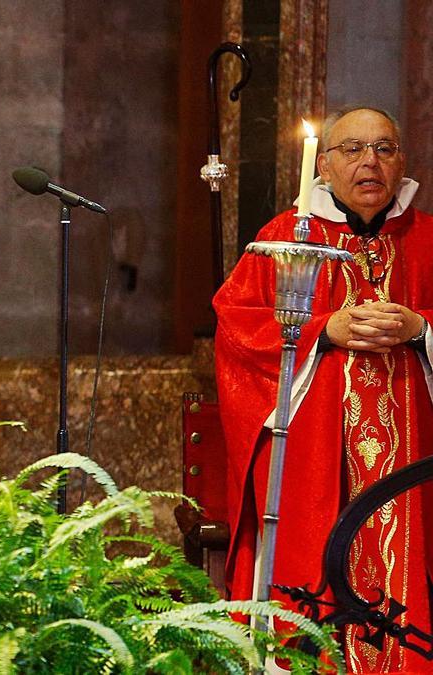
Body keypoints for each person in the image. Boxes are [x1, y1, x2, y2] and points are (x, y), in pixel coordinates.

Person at [215, 107, 433, 672]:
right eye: (354, 149)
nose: (370, 163)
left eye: (384, 149)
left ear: (403, 162)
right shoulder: (285, 239)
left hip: (413, 469)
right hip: (315, 458)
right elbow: (237, 327)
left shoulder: (427, 239)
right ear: (326, 165)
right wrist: (320, 331)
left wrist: (421, 327)